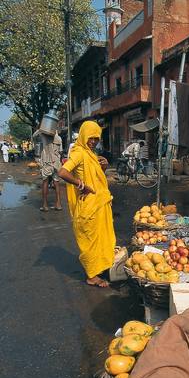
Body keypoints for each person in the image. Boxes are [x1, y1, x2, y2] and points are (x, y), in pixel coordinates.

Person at [58, 120, 116, 288]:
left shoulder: (91, 154)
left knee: (101, 238)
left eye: (96, 138)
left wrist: (103, 168)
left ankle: (99, 268)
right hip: (89, 206)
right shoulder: (79, 153)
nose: (93, 141)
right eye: (90, 138)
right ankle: (92, 276)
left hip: (99, 203)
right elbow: (62, 172)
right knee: (90, 240)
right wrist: (81, 185)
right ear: (83, 136)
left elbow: (96, 178)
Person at [36, 131, 63, 211]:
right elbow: (60, 151)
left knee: (45, 182)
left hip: (46, 162)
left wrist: (40, 129)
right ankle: (58, 204)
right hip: (56, 163)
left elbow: (35, 135)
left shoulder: (44, 137)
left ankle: (45, 205)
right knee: (56, 183)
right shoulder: (59, 138)